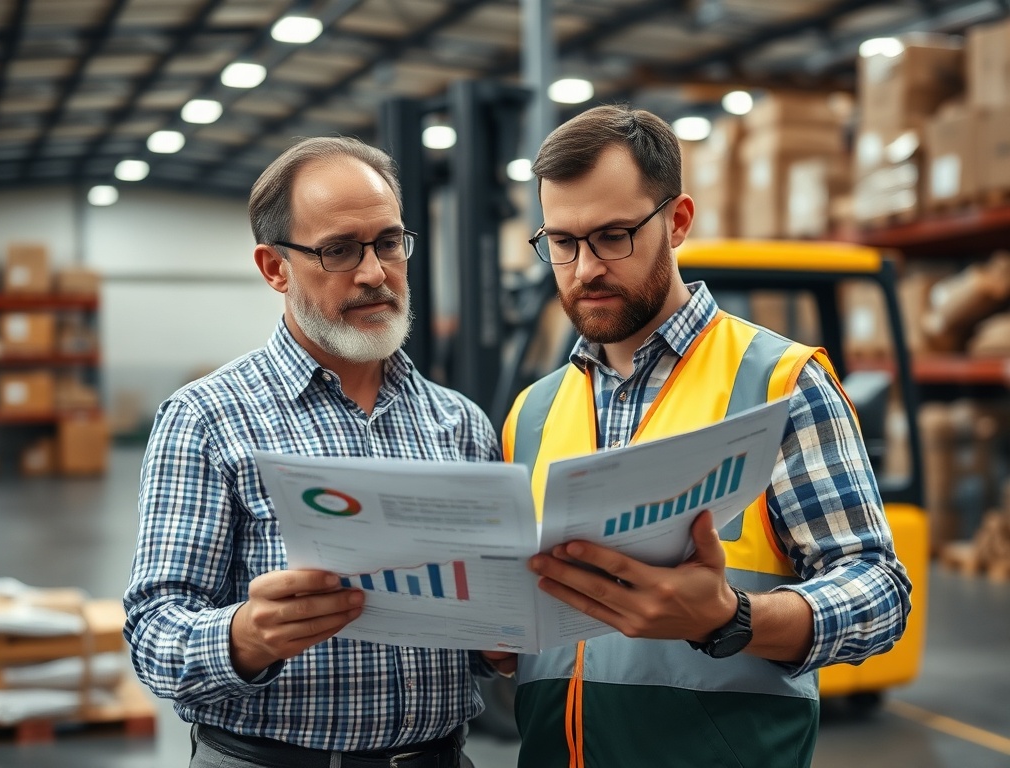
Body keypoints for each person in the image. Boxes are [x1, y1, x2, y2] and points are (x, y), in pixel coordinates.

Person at [502, 105, 913, 767]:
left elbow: (878, 591)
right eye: (562, 242)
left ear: (678, 221)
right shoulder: (532, 412)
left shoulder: (780, 381)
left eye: (612, 236)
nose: (583, 270)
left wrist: (731, 618)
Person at [123, 136, 511, 768]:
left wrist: (501, 641)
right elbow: (153, 635)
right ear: (275, 268)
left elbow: (473, 628)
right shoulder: (208, 419)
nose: (373, 273)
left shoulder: (458, 424)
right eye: (338, 250)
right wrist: (242, 638)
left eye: (388, 242)